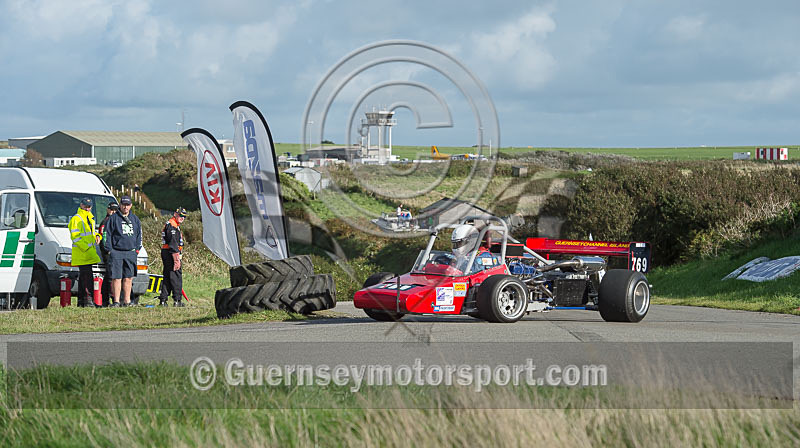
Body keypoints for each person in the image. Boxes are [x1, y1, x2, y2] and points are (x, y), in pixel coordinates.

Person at [103, 195, 142, 307]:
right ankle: (116, 301)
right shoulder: (113, 218)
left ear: (131, 205)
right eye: (124, 205)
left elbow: (139, 235)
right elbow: (106, 235)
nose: (125, 207)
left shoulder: (135, 219)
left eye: (128, 205)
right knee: (116, 278)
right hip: (116, 252)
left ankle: (127, 301)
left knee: (128, 277)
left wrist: (137, 249)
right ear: (120, 205)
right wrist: (109, 250)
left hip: (131, 252)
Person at [68, 198, 101, 307]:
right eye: (86, 206)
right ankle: (88, 301)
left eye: (89, 206)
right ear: (81, 205)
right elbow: (75, 237)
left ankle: (82, 301)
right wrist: (86, 248)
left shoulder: (90, 218)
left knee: (84, 277)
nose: (87, 208)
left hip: (88, 253)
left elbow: (91, 233)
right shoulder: (76, 218)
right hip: (82, 253)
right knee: (87, 278)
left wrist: (97, 236)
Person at [158, 207, 187, 307]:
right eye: (180, 215)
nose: (182, 218)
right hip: (171, 253)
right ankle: (177, 300)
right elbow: (173, 244)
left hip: (168, 252)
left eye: (184, 216)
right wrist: (176, 260)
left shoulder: (174, 224)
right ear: (175, 214)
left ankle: (163, 300)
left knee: (167, 276)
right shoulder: (172, 225)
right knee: (176, 276)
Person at [96, 202, 118, 307]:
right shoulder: (106, 221)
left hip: (114, 251)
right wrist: (108, 250)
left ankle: (107, 299)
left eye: (115, 210)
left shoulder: (115, 220)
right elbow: (103, 238)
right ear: (108, 210)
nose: (113, 212)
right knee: (111, 276)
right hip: (108, 252)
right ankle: (108, 298)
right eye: (111, 210)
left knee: (109, 275)